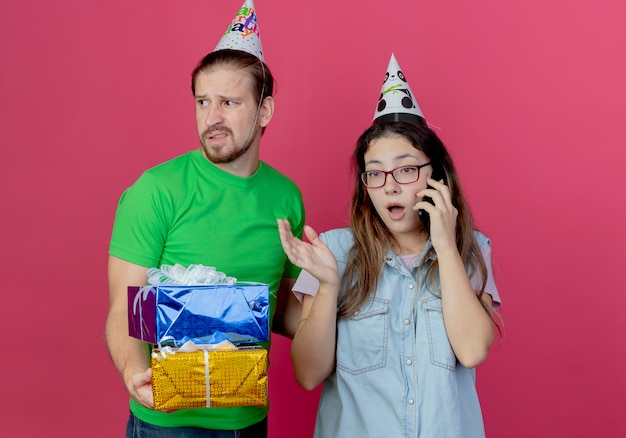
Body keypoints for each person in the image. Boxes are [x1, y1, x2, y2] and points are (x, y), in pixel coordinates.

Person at [277, 54, 501, 437]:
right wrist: (329, 285)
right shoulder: (333, 250)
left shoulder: (471, 248)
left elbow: (472, 350)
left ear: (437, 174)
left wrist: (445, 247)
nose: (390, 185)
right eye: (375, 173)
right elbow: (308, 375)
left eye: (407, 168)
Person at [104, 17, 305, 437]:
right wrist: (135, 373)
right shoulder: (156, 190)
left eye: (229, 103)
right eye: (202, 102)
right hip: (167, 423)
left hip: (248, 419)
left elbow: (281, 310)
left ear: (264, 109)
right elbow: (124, 310)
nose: (212, 117)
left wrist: (347, 300)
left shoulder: (286, 198)